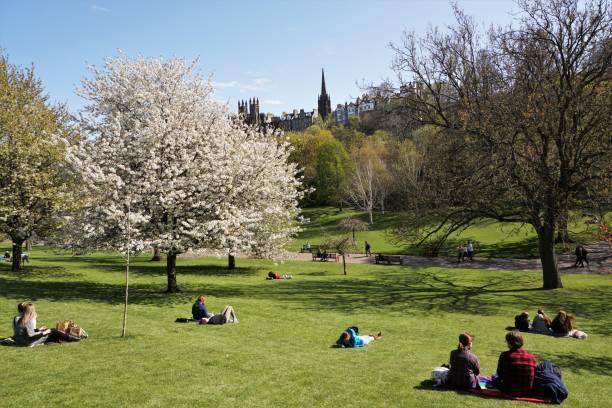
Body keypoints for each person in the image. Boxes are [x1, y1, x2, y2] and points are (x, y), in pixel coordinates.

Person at [495, 330, 537, 396]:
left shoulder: (505, 355)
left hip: (509, 390)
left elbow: (500, 373)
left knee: (494, 377)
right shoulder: (531, 356)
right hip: (527, 391)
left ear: (510, 343)